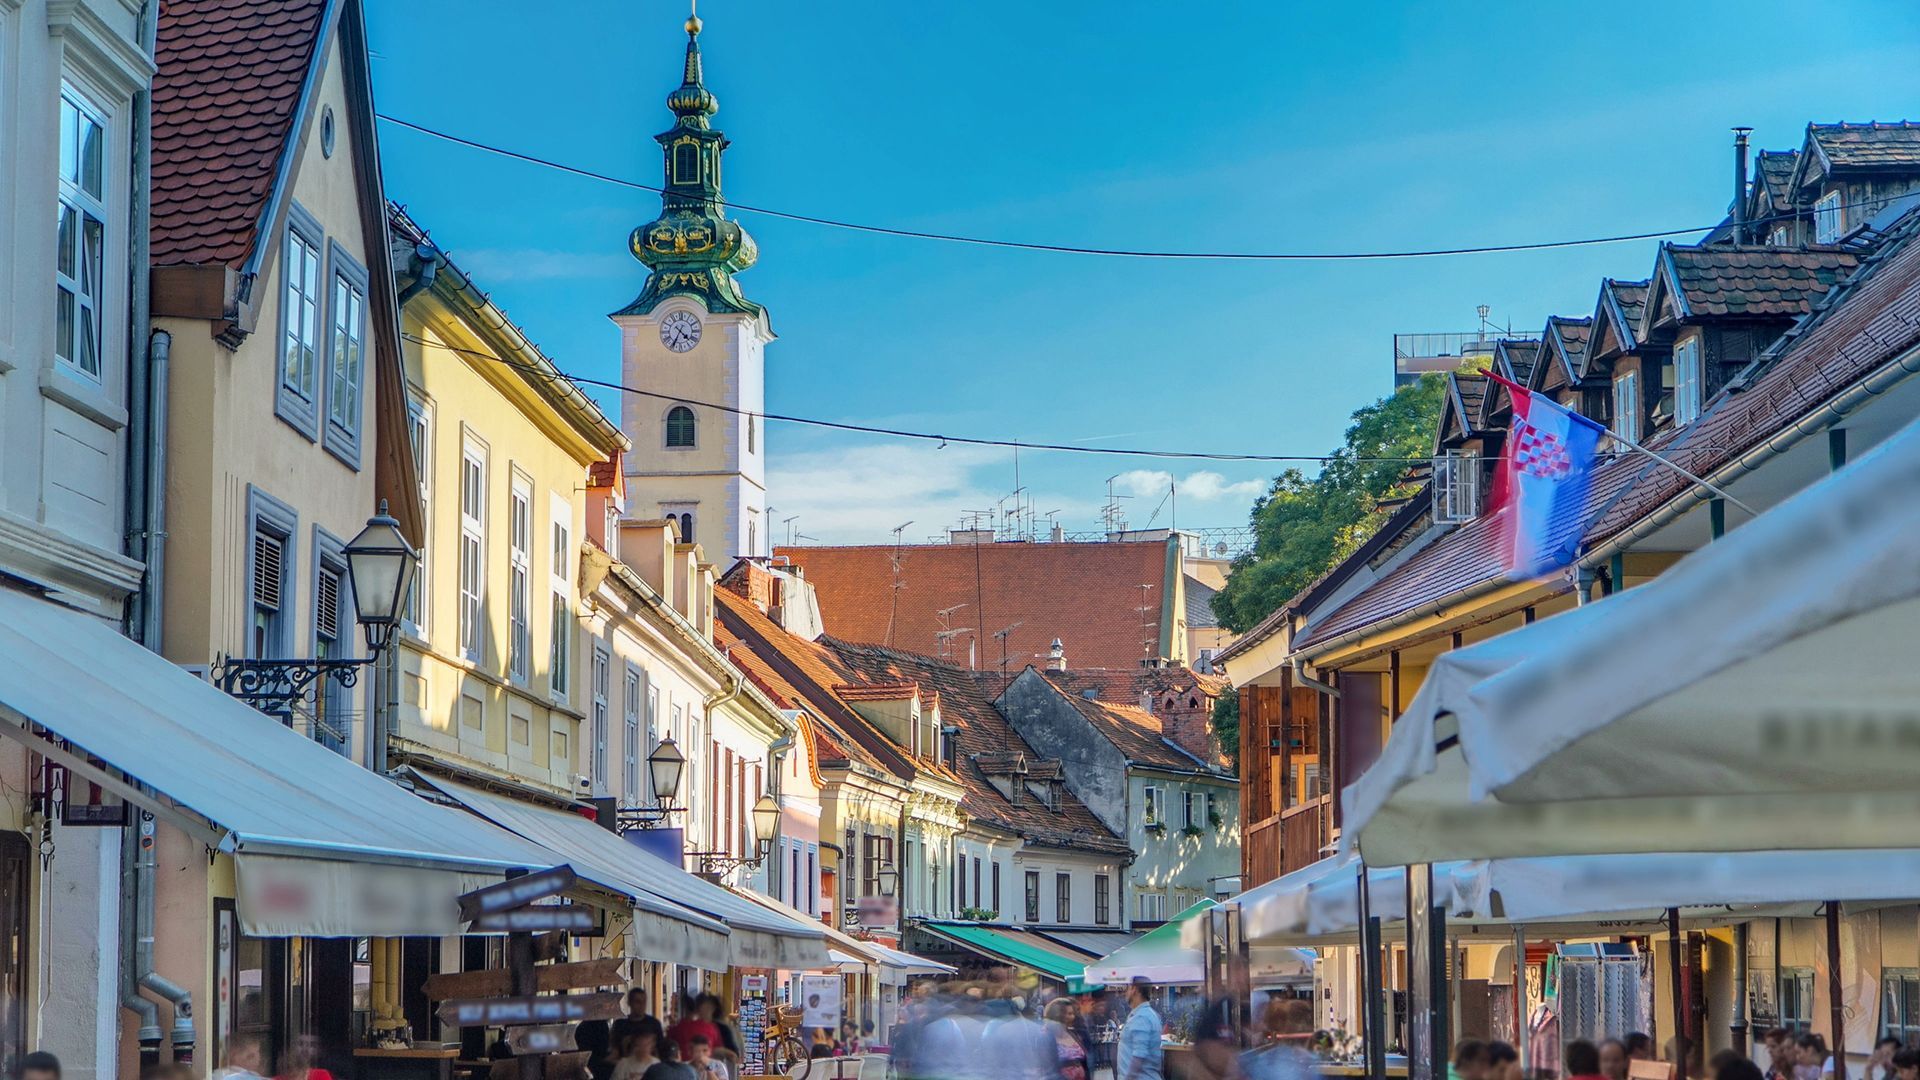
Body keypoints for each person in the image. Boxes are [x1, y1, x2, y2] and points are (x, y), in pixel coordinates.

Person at [1117, 978, 1165, 1080]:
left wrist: (1129, 1078)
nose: (1126, 992)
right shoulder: (1144, 1014)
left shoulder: (1141, 1017)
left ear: (1135, 989)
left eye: (1128, 988)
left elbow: (1139, 1055)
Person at [613, 988, 667, 1060]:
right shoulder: (620, 1025)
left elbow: (661, 1049)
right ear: (629, 1002)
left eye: (644, 1002)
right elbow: (615, 1051)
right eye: (638, 1002)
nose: (641, 1006)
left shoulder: (654, 1024)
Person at [1045, 998, 1091, 1080]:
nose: (1072, 1017)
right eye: (1069, 1014)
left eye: (1073, 1013)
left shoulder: (1074, 1034)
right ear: (1058, 1014)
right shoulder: (1045, 1037)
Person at [667, 997, 722, 1063]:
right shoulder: (711, 1028)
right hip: (706, 1066)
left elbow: (669, 1047)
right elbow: (716, 1049)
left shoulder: (678, 1028)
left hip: (683, 1068)